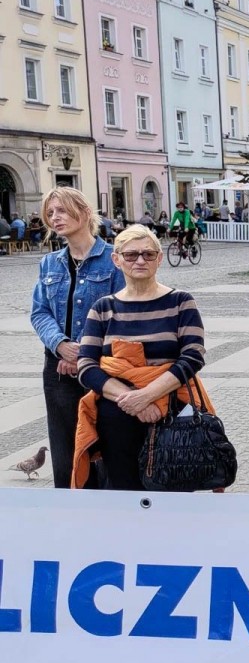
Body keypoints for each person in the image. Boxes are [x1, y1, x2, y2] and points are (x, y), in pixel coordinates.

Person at [72, 225, 207, 490]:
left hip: (172, 411)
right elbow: (86, 366)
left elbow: (193, 356)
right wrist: (132, 399)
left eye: (148, 254)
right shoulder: (103, 308)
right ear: (117, 259)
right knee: (124, 492)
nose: (140, 260)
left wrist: (148, 395)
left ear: (159, 259)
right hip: (116, 415)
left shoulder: (180, 302)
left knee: (174, 490)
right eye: (131, 255)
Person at [29, 188, 126, 487]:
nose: (55, 218)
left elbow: (122, 313)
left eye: (61, 210)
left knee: (106, 443)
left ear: (83, 212)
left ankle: (109, 515)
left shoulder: (114, 260)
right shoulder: (50, 263)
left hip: (103, 365)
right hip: (57, 367)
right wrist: (59, 345)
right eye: (50, 213)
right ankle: (70, 515)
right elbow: (39, 312)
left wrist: (82, 354)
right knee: (65, 446)